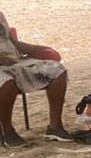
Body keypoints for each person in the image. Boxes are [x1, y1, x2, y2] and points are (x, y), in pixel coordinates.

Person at [0, 12, 70, 146]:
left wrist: (43, 48)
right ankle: (7, 132)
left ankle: (55, 127)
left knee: (57, 70)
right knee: (6, 83)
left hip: (14, 62)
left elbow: (15, 44)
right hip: (4, 66)